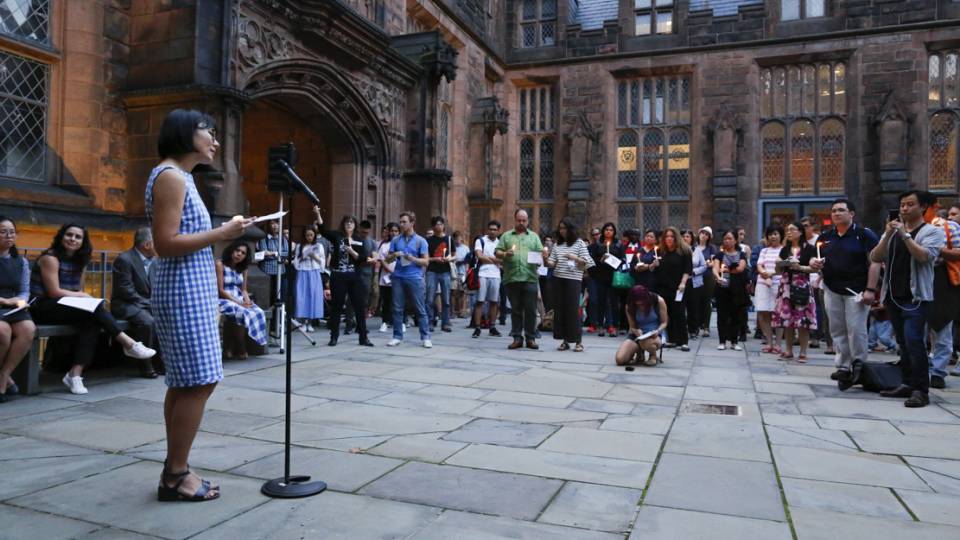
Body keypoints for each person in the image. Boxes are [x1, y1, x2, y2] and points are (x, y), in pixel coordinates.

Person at [147, 109, 253, 501]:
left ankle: (176, 468)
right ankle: (175, 475)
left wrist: (224, 233)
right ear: (185, 133)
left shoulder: (180, 177)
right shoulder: (172, 176)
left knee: (187, 381)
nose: (216, 140)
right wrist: (222, 233)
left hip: (188, 286)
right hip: (181, 288)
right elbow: (166, 243)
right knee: (199, 380)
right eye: (209, 131)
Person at [30, 223, 157, 395]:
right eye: (69, 235)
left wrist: (83, 297)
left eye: (78, 237)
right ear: (61, 237)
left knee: (92, 321)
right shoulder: (50, 258)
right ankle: (129, 344)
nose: (72, 239)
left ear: (83, 241)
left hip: (67, 305)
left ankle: (75, 374)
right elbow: (54, 292)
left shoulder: (81, 261)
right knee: (94, 310)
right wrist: (83, 297)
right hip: (43, 306)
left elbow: (77, 290)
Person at [870, 190, 945, 407]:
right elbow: (875, 257)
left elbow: (924, 256)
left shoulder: (932, 231)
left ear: (922, 207)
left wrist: (905, 234)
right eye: (902, 205)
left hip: (916, 297)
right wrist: (886, 235)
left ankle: (921, 390)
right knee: (902, 343)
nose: (904, 209)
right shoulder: (893, 231)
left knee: (914, 341)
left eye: (910, 204)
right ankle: (907, 383)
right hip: (893, 295)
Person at [809, 199, 880, 386]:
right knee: (837, 328)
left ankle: (859, 364)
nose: (836, 213)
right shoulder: (826, 236)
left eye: (841, 210)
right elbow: (815, 259)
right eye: (833, 211)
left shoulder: (864, 235)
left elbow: (875, 262)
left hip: (856, 289)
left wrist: (871, 289)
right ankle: (843, 366)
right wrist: (814, 264)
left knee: (856, 328)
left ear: (852, 214)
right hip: (832, 287)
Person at [315, 209, 371, 347]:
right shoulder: (337, 236)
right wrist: (317, 214)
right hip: (339, 275)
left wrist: (351, 251)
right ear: (343, 224)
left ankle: (363, 337)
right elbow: (323, 231)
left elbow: (363, 258)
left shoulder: (359, 240)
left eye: (351, 222)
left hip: (354, 277)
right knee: (337, 306)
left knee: (359, 306)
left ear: (355, 225)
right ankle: (334, 337)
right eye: (347, 222)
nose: (349, 224)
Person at [111, 226, 162, 378]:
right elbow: (125, 290)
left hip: (146, 304)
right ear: (147, 245)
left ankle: (162, 361)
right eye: (158, 241)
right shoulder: (124, 259)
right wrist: (149, 303)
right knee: (148, 322)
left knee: (169, 317)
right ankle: (145, 364)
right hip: (126, 304)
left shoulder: (155, 261)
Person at [496, 209, 548, 350]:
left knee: (531, 310)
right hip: (512, 278)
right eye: (519, 220)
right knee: (516, 310)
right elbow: (497, 252)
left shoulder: (534, 237)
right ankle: (517, 338)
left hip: (530, 277)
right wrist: (506, 253)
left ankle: (530, 338)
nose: (521, 223)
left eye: (524, 220)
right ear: (515, 220)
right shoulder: (506, 236)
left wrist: (543, 255)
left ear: (528, 221)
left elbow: (540, 253)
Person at [545, 218, 594, 352]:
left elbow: (587, 262)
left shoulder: (579, 243)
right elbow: (551, 264)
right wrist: (544, 258)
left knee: (573, 311)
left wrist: (574, 258)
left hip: (573, 280)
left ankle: (578, 342)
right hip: (558, 279)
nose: (562, 231)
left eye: (565, 228)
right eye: (560, 228)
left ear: (571, 229)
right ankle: (565, 341)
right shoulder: (557, 245)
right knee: (560, 311)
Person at [384, 211, 432, 348]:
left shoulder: (420, 241)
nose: (401, 224)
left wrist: (412, 258)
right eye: (401, 222)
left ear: (412, 223)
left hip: (414, 277)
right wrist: (394, 255)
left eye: (404, 222)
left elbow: (426, 262)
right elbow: (387, 259)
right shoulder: (395, 240)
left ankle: (426, 337)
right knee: (397, 308)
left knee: (420, 308)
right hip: (398, 276)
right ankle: (397, 336)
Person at [0, 216, 35, 401]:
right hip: (3, 305)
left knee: (29, 329)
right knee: (2, 331)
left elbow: (24, 290)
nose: (8, 235)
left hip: (13, 307)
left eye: (12, 232)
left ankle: (4, 375)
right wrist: (5, 301)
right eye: (3, 231)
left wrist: (21, 302)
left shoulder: (21, 262)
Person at [772, 222, 818, 362]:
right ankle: (788, 350)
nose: (789, 232)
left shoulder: (809, 248)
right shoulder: (785, 249)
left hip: (802, 284)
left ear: (800, 232)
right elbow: (778, 271)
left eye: (792, 229)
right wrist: (779, 264)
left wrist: (800, 267)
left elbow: (814, 268)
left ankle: (803, 352)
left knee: (802, 320)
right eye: (788, 229)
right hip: (786, 285)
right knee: (787, 320)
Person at [216, 241, 268, 358]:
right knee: (242, 311)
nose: (239, 254)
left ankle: (230, 348)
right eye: (237, 250)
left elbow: (243, 290)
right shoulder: (220, 264)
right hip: (223, 299)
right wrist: (239, 302)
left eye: (243, 253)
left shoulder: (244, 268)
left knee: (258, 311)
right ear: (231, 250)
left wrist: (247, 301)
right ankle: (241, 346)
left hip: (239, 298)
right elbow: (221, 290)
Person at [654, 227, 692, 351]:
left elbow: (687, 269)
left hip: (677, 287)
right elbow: (656, 269)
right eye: (666, 236)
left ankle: (684, 340)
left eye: (671, 236)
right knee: (667, 313)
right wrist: (654, 265)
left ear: (676, 238)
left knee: (680, 313)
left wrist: (683, 283)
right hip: (663, 286)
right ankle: (672, 339)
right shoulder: (660, 251)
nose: (669, 239)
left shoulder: (684, 251)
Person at [711, 230, 749, 351]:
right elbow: (715, 268)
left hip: (737, 288)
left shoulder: (741, 254)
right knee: (722, 315)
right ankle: (722, 341)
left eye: (730, 238)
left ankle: (734, 341)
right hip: (722, 287)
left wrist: (728, 270)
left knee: (736, 315)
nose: (727, 241)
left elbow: (740, 268)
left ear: (735, 240)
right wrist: (717, 277)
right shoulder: (720, 255)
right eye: (725, 238)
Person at [615, 284, 668, 366]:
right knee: (620, 359)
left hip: (655, 333)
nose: (640, 306)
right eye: (638, 304)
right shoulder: (629, 306)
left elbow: (664, 322)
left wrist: (658, 331)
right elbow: (632, 326)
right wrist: (636, 331)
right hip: (638, 335)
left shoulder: (658, 301)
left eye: (643, 303)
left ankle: (653, 355)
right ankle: (639, 354)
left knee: (647, 343)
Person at [256, 220, 289, 345]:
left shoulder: (282, 239)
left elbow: (286, 253)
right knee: (269, 300)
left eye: (278, 224)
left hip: (281, 272)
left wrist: (273, 254)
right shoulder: (264, 238)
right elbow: (264, 253)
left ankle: (277, 329)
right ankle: (269, 331)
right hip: (268, 272)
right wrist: (276, 254)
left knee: (280, 300)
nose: (275, 226)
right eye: (273, 224)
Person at [588, 222, 623, 337]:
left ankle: (612, 325)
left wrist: (613, 260)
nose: (608, 231)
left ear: (614, 232)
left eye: (611, 230)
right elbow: (593, 260)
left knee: (613, 301)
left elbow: (622, 259)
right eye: (606, 229)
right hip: (601, 275)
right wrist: (601, 259)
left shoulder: (618, 244)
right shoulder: (598, 244)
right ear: (603, 231)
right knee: (601, 301)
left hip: (613, 276)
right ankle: (600, 326)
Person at [344, 220, 378, 335]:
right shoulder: (354, 241)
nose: (364, 235)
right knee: (350, 300)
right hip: (353, 272)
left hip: (366, 275)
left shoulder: (372, 243)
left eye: (366, 233)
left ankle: (361, 325)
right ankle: (349, 324)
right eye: (362, 232)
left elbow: (374, 259)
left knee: (364, 301)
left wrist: (363, 259)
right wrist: (363, 259)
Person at [755, 226, 784, 355]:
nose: (773, 236)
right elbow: (759, 265)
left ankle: (778, 343)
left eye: (776, 234)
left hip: (778, 284)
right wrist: (764, 274)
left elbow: (784, 267)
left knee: (777, 313)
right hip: (762, 283)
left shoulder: (784, 251)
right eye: (770, 234)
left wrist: (771, 275)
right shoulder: (764, 251)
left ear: (781, 235)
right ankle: (769, 341)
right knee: (763, 312)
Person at [292, 225, 326, 332]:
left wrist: (313, 256)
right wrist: (303, 256)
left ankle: (309, 322)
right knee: (302, 296)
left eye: (311, 235)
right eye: (307, 235)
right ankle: (302, 321)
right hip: (302, 272)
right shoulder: (299, 246)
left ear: (314, 235)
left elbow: (322, 261)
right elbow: (295, 262)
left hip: (314, 272)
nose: (309, 237)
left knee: (313, 296)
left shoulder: (319, 246)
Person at [472, 220, 502, 338]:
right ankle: (477, 327)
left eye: (495, 229)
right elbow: (479, 256)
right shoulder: (481, 241)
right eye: (491, 229)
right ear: (487, 229)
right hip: (482, 273)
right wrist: (494, 260)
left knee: (494, 302)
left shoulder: (501, 243)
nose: (493, 231)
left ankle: (492, 326)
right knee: (480, 301)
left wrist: (488, 258)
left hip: (496, 275)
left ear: (498, 231)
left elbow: (504, 260)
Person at [425, 216, 455, 332]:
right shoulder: (428, 240)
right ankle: (430, 322)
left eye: (441, 224)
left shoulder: (448, 239)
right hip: (432, 270)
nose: (439, 226)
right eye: (436, 224)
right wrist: (435, 259)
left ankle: (446, 323)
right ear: (433, 226)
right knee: (430, 298)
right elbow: (426, 257)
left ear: (443, 226)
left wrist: (449, 258)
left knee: (446, 298)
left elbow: (454, 255)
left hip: (445, 271)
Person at [377, 223, 400, 333]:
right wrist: (391, 271)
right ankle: (385, 322)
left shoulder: (403, 244)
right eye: (392, 231)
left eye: (396, 231)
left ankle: (400, 322)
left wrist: (397, 272)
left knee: (398, 301)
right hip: (386, 277)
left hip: (400, 276)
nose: (394, 233)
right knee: (386, 301)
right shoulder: (384, 245)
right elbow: (382, 261)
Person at [696, 226, 718, 337]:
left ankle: (706, 326)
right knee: (696, 301)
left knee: (706, 301)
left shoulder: (711, 248)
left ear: (709, 237)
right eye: (702, 233)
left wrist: (710, 264)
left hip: (708, 277)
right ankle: (696, 325)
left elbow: (714, 262)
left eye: (706, 234)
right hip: (695, 276)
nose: (704, 235)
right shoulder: (694, 248)